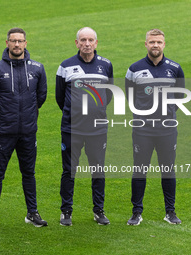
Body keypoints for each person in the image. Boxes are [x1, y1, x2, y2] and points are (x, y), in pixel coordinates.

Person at [0, 28, 48, 229]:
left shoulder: (37, 68)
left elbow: (41, 96)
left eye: (20, 41)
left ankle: (32, 213)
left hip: (28, 132)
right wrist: (4, 116)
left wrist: (28, 115)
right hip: (4, 132)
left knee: (29, 173)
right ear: (7, 43)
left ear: (26, 43)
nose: (17, 45)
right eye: (13, 41)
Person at [125, 29, 185, 225]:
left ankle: (170, 212)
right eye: (152, 42)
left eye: (159, 42)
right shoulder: (134, 69)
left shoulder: (175, 68)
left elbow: (180, 95)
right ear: (146, 44)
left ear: (164, 44)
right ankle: (136, 212)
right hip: (143, 130)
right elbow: (130, 96)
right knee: (139, 170)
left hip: (167, 129)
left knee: (168, 170)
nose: (155, 45)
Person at [56, 27, 114, 226]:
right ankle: (66, 211)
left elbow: (109, 95)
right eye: (83, 40)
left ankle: (99, 210)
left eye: (90, 40)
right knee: (69, 171)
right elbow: (60, 97)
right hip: (72, 129)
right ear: (77, 43)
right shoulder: (65, 66)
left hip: (97, 129)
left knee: (98, 170)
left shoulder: (106, 65)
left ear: (96, 43)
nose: (87, 44)